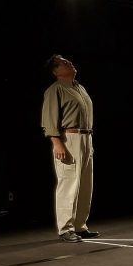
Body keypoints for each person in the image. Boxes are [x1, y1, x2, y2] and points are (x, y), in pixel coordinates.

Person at [41, 54, 99, 243]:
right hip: (69, 138)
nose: (69, 63)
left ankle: (80, 226)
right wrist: (57, 143)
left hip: (86, 137)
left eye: (68, 61)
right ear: (56, 71)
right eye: (64, 63)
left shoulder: (79, 87)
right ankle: (65, 228)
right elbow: (49, 119)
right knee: (68, 184)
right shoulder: (55, 90)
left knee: (85, 184)